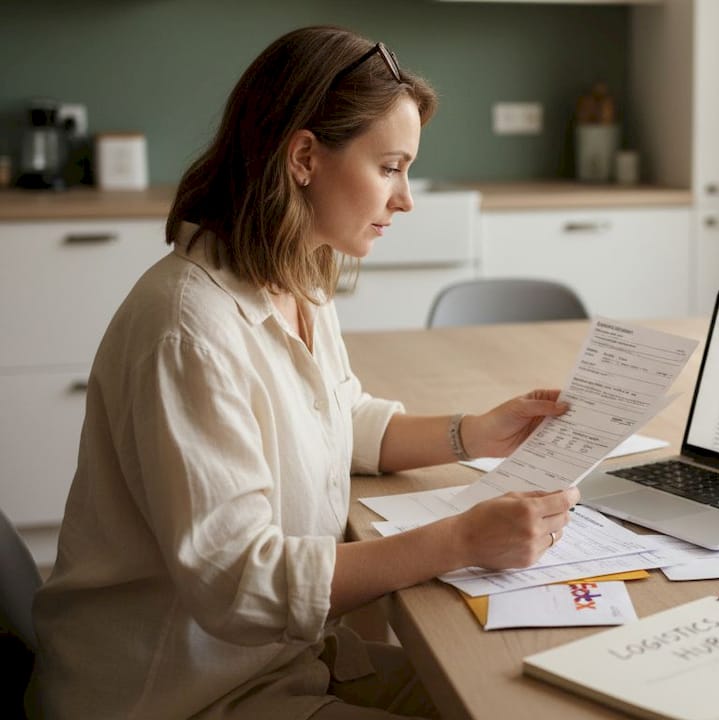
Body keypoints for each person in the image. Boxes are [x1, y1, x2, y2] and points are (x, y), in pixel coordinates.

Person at [28, 26, 579, 720]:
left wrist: (475, 433)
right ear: (305, 158)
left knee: (511, 694)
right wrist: (461, 540)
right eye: (390, 167)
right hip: (178, 696)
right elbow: (239, 584)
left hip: (282, 663)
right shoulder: (189, 329)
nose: (405, 198)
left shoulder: (295, 277)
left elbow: (338, 418)